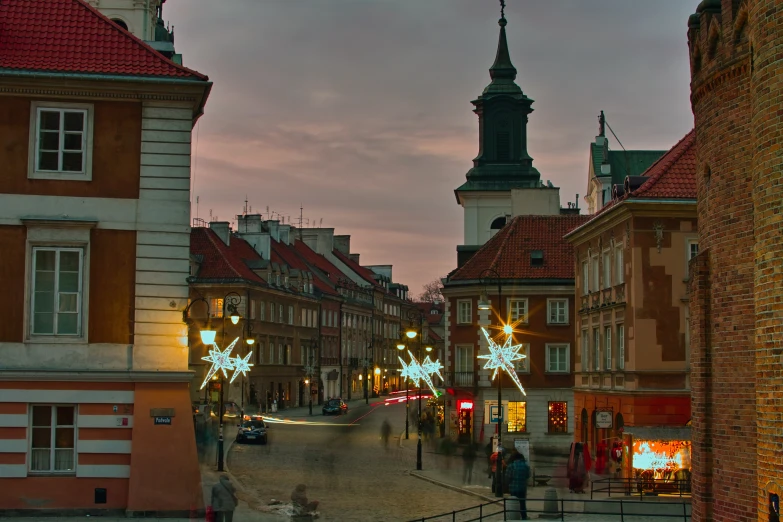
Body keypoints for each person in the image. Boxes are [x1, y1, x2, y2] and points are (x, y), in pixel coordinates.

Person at [505, 449, 531, 520]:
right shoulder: (526, 466)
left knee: (514, 503)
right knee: (522, 503)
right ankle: (524, 516)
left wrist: (507, 485)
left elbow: (508, 477)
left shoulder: (511, 466)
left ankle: (514, 517)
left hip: (513, 487)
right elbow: (528, 476)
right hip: (522, 487)